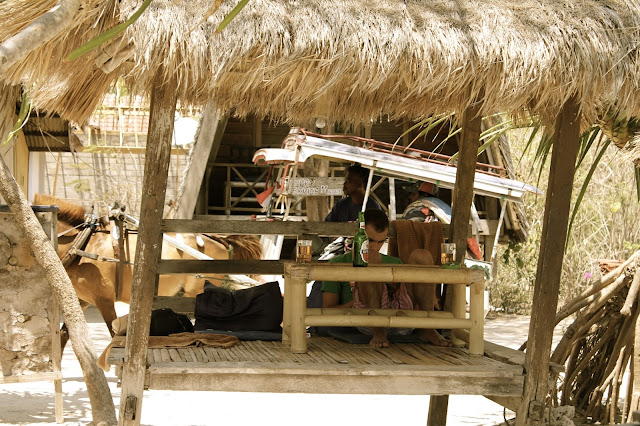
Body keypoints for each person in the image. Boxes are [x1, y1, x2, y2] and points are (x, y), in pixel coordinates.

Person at [321, 209, 452, 348]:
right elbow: (329, 309)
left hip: (400, 314)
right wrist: (357, 298)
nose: (374, 247)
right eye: (370, 240)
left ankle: (428, 328)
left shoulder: (394, 262)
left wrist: (391, 290)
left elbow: (406, 294)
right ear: (357, 233)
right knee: (372, 258)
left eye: (380, 242)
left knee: (422, 255)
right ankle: (378, 329)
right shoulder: (337, 263)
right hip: (364, 317)